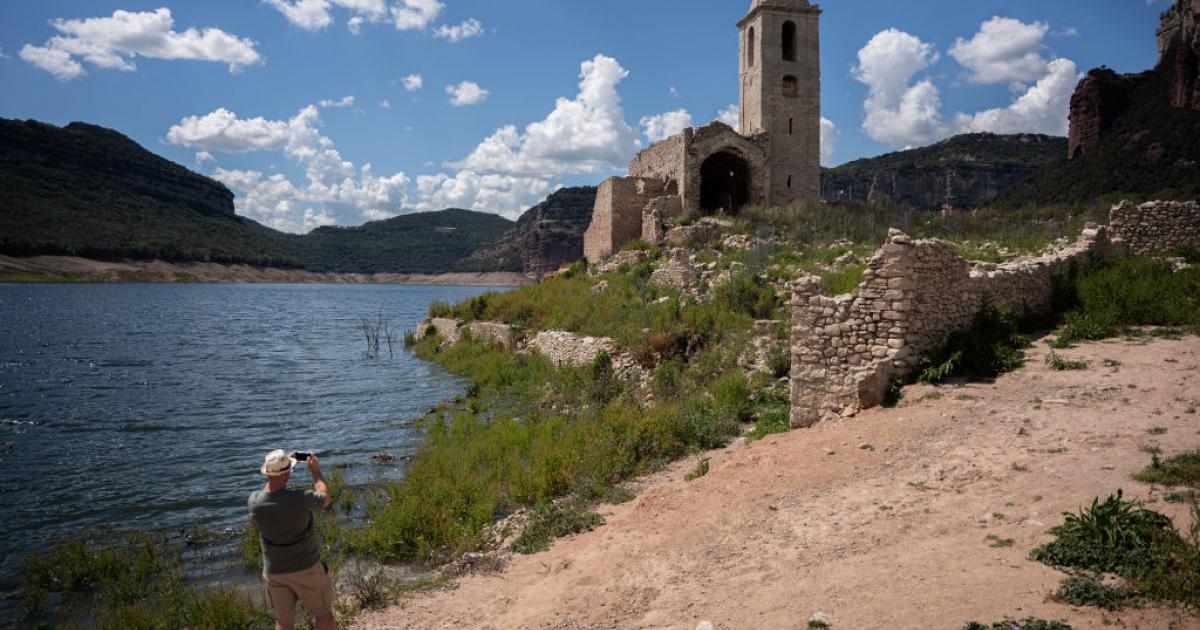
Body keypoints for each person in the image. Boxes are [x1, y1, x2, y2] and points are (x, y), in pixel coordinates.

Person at [249, 449, 335, 630]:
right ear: (287, 474)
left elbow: (269, 491)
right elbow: (325, 498)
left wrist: (283, 465)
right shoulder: (299, 499)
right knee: (323, 613)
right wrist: (315, 472)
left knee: (284, 621)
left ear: (267, 473)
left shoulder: (255, 502)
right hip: (307, 568)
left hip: (275, 571)